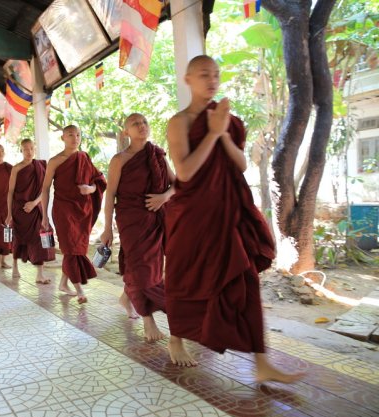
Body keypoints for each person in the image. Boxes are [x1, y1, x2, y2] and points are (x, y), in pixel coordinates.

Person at [164, 55, 303, 383]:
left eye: (215, 74)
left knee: (245, 281)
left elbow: (240, 165)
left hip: (227, 215)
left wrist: (223, 134)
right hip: (192, 216)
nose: (211, 80)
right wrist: (212, 134)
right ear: (188, 79)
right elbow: (183, 171)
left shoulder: (229, 120)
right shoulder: (180, 122)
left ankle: (260, 362)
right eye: (203, 74)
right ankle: (175, 338)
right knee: (185, 277)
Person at [100, 114, 175, 342]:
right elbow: (110, 193)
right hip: (131, 219)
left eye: (144, 122)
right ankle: (148, 320)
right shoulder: (120, 160)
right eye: (135, 124)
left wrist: (164, 197)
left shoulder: (158, 155)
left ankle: (127, 297)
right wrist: (106, 228)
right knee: (143, 269)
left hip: (156, 219)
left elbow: (177, 184)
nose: (142, 126)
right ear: (126, 132)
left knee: (145, 266)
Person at [41, 125, 106, 304]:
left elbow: (99, 180)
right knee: (70, 248)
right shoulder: (55, 161)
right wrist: (44, 216)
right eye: (70, 135)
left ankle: (63, 283)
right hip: (63, 210)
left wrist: (90, 189)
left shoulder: (84, 157)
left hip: (82, 211)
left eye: (78, 134)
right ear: (62, 138)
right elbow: (45, 189)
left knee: (75, 249)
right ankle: (79, 290)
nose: (75, 138)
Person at [6, 139, 55, 283]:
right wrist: (9, 213)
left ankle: (40, 274)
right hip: (19, 210)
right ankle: (15, 266)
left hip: (35, 209)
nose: (29, 152)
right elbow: (10, 192)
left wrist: (34, 203)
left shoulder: (41, 165)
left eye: (31, 148)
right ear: (21, 150)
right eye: (26, 149)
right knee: (17, 238)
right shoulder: (16, 168)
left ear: (35, 149)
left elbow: (47, 189)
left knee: (40, 239)